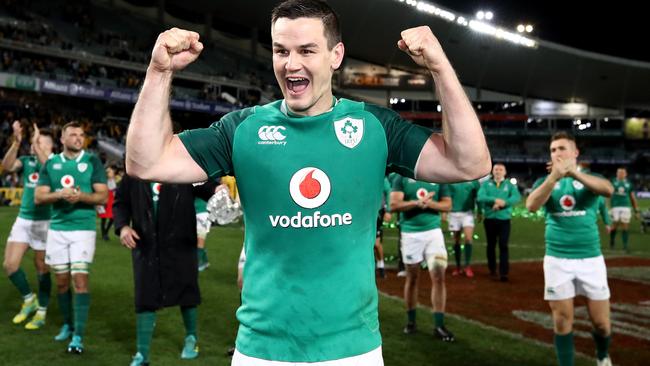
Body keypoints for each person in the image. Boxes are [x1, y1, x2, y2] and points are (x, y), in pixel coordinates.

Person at [125, 0, 490, 363]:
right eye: (281, 50)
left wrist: (440, 67)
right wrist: (159, 71)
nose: (291, 64)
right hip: (261, 352)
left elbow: (470, 162)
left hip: (353, 352)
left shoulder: (375, 127)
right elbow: (146, 162)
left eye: (306, 50)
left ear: (336, 55)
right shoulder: (242, 130)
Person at [526, 132, 614, 366]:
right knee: (562, 320)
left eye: (562, 148)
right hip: (557, 260)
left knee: (602, 324)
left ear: (575, 153)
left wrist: (574, 172)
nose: (557, 153)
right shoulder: (544, 182)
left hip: (590, 259)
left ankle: (603, 355)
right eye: (553, 150)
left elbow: (607, 190)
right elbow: (531, 205)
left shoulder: (590, 178)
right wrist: (553, 178)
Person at [113, 174, 217, 366]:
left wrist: (217, 190)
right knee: (145, 294)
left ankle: (191, 340)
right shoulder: (135, 171)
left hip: (179, 241)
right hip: (145, 243)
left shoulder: (179, 167)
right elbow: (120, 202)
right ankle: (142, 354)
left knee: (186, 289)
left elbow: (205, 185)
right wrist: (123, 227)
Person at [34, 122, 108, 354]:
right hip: (57, 229)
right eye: (73, 135)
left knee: (80, 281)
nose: (78, 138)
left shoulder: (92, 161)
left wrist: (81, 197)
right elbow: (38, 196)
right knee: (62, 282)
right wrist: (60, 194)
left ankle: (78, 337)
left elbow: (103, 196)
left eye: (81, 135)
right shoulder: (52, 164)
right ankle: (68, 324)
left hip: (82, 230)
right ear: (62, 139)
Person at [2, 121, 54, 329]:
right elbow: (6, 166)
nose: (36, 144)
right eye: (35, 141)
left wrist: (37, 145)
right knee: (10, 265)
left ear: (50, 147)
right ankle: (29, 298)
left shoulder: (56, 163)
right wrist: (16, 143)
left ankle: (41, 311)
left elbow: (48, 169)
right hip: (23, 220)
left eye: (41, 142)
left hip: (45, 223)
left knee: (42, 268)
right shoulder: (26, 160)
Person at [390, 174, 454, 341]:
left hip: (434, 233)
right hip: (410, 234)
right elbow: (394, 204)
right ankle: (411, 322)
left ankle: (439, 326)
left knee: (439, 277)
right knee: (412, 278)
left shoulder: (440, 176)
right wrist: (417, 203)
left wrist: (429, 203)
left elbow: (447, 205)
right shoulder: (401, 176)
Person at [477, 163, 520, 282]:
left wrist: (504, 203)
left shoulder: (510, 185)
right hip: (490, 219)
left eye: (501, 169)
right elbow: (480, 197)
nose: (498, 171)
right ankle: (492, 269)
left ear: (505, 172)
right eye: (496, 169)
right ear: (492, 171)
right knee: (491, 245)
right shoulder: (486, 184)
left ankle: (504, 272)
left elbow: (516, 198)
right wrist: (495, 200)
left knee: (503, 245)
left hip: (504, 220)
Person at [447, 180, 480, 277]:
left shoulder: (474, 181)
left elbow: (478, 196)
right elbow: (446, 196)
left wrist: (480, 211)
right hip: (453, 213)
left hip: (467, 213)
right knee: (456, 241)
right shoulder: (451, 179)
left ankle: (467, 266)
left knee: (468, 239)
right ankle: (458, 267)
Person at [609, 167, 639, 251]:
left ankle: (625, 246)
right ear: (616, 173)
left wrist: (636, 210)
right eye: (619, 172)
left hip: (626, 206)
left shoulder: (629, 184)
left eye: (622, 172)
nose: (621, 174)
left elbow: (632, 197)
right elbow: (608, 194)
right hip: (615, 207)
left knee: (625, 226)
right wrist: (607, 206)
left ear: (626, 174)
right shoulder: (612, 182)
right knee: (614, 226)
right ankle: (612, 243)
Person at [374, 176, 392, 278]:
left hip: (377, 213)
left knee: (376, 243)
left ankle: (381, 266)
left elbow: (388, 192)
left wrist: (388, 210)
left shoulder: (381, 178)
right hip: (364, 213)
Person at [98, 165, 117, 241]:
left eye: (111, 171)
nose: (111, 173)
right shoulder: (103, 181)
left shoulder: (113, 181)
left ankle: (106, 232)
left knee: (112, 218)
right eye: (109, 172)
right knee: (104, 218)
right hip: (104, 201)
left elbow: (114, 192)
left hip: (111, 201)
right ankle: (104, 234)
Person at [195, 196, 211, 271]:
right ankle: (205, 261)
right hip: (193, 210)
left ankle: (199, 263)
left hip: (203, 212)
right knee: (195, 239)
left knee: (200, 239)